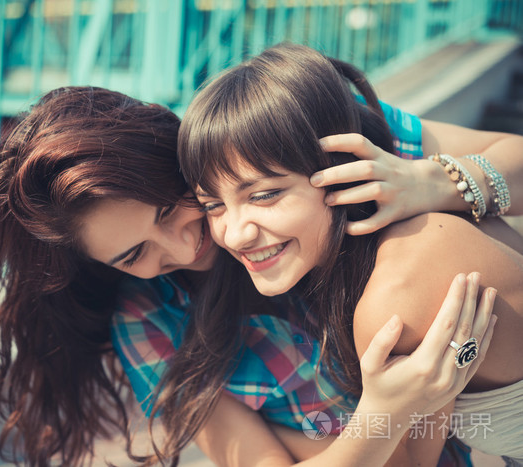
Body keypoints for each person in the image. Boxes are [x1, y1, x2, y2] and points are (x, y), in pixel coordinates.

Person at [0, 85, 520, 467]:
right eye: (131, 255)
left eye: (172, 209)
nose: (186, 245)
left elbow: (511, 158)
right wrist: (384, 410)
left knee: (430, 244)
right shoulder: (153, 327)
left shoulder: (266, 135)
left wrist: (435, 181)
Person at [175, 42, 523, 466]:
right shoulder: (384, 260)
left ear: (345, 169)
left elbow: (409, 462)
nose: (235, 234)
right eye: (213, 205)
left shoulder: (401, 288)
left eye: (264, 195)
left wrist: (436, 180)